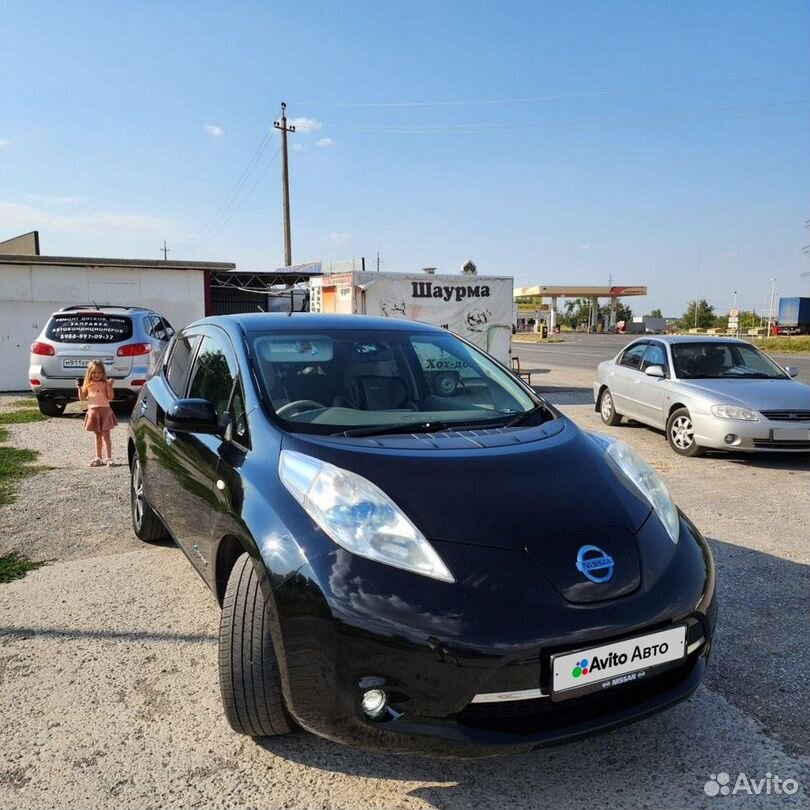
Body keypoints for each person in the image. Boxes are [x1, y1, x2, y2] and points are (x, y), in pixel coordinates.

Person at [78, 360, 118, 467]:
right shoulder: (88, 384)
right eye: (94, 372)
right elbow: (82, 398)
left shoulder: (105, 383)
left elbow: (110, 397)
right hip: (93, 412)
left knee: (106, 435)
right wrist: (79, 387)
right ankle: (98, 457)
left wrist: (110, 385)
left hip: (105, 411)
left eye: (99, 372)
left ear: (103, 373)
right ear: (89, 373)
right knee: (98, 436)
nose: (97, 375)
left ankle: (108, 458)